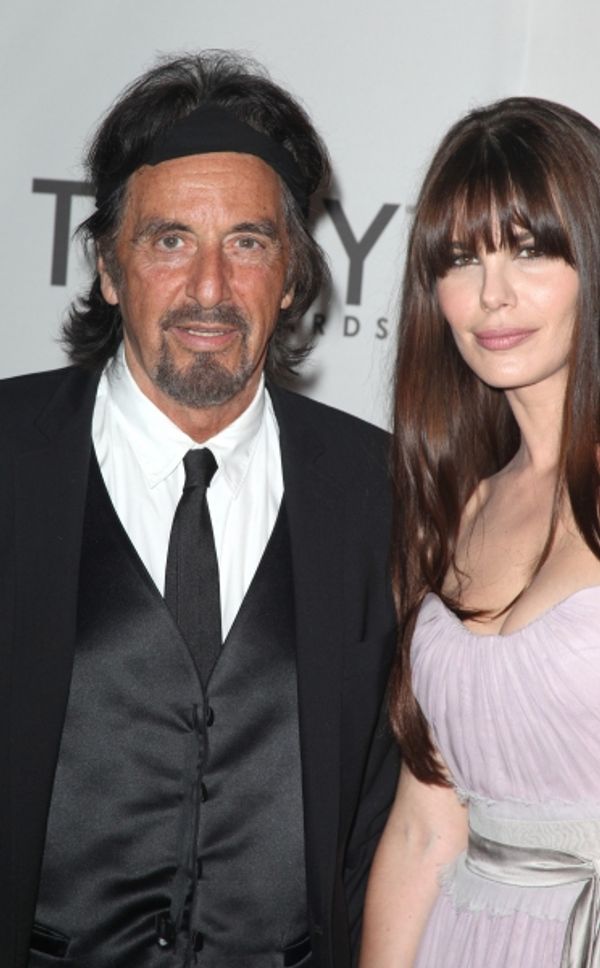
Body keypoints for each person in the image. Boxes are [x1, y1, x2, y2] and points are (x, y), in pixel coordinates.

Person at [0, 52, 399, 968]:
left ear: (293, 275)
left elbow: (385, 816)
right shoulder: (10, 459)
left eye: (250, 243)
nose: (211, 289)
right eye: (170, 240)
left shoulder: (379, 492)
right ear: (109, 268)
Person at [359, 95, 600, 967]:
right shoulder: (456, 509)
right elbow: (425, 831)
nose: (492, 295)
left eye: (530, 249)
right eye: (461, 259)